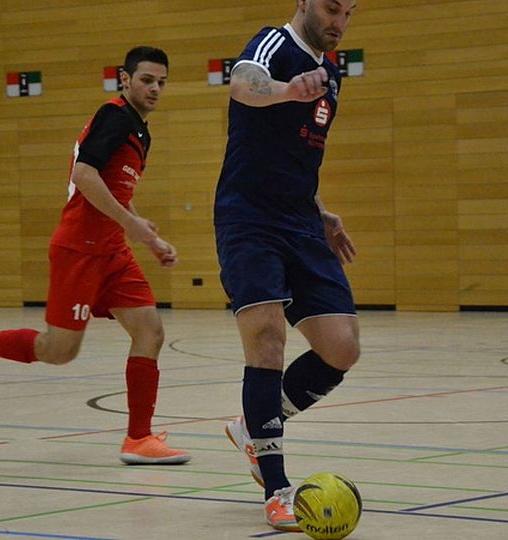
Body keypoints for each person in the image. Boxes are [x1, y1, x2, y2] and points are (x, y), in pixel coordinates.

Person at [0, 46, 189, 465]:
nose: (155, 88)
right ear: (124, 79)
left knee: (150, 331)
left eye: (161, 82)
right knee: (59, 350)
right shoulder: (115, 116)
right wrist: (132, 225)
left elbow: (113, 191)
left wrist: (147, 237)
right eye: (147, 79)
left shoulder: (141, 130)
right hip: (79, 249)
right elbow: (84, 175)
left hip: (112, 251)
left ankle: (138, 439)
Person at [213, 0, 359, 531]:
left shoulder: (333, 73)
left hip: (301, 221)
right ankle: (277, 488)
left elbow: (299, 155)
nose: (338, 22)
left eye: (348, 13)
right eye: (330, 8)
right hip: (248, 217)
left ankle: (250, 425)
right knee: (267, 336)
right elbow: (242, 81)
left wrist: (321, 212)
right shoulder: (276, 45)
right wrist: (285, 90)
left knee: (341, 347)